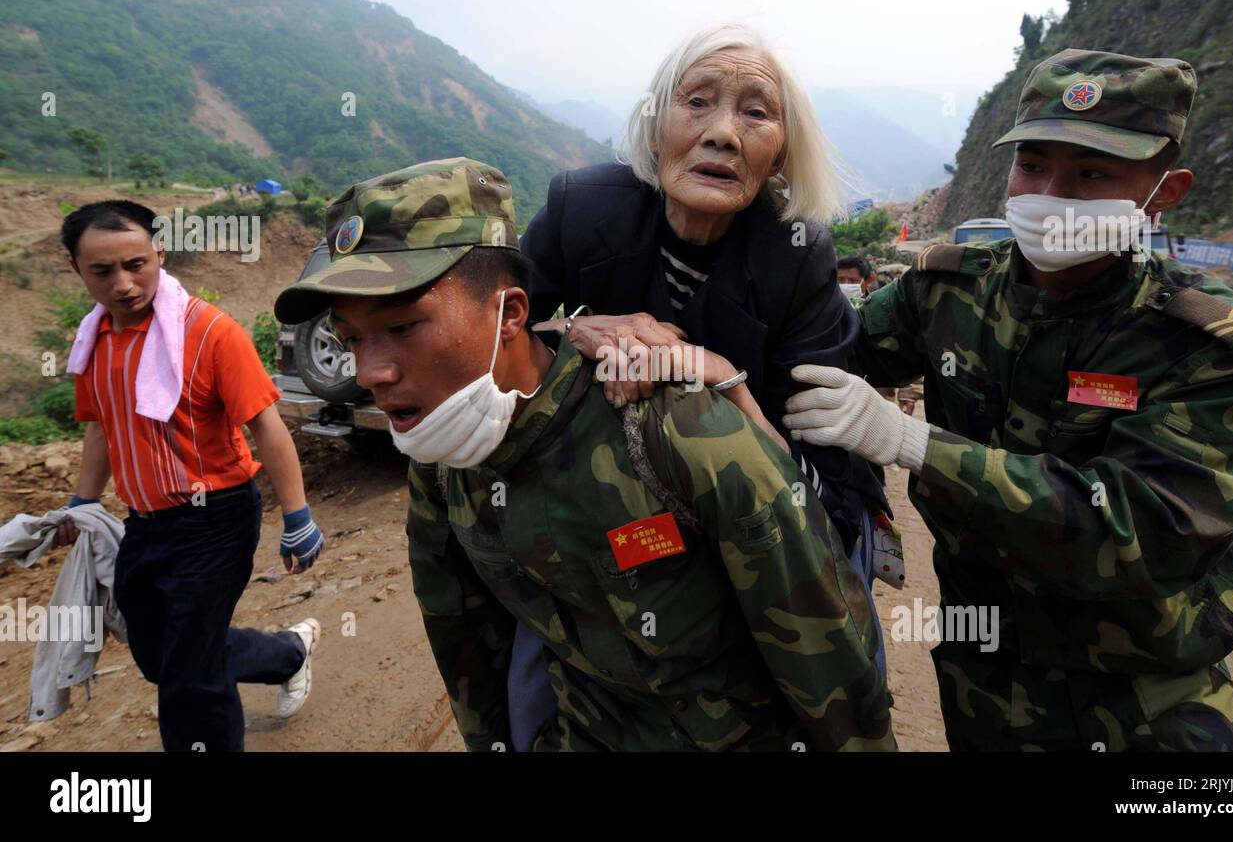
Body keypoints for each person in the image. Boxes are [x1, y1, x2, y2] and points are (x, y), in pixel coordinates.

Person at [273, 158, 895, 752]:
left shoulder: (675, 430)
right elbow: (468, 655)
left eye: (404, 327)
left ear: (511, 313)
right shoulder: (443, 468)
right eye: (350, 339)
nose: (371, 372)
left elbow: (829, 657)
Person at [782, 49, 1233, 751]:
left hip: (1140, 698)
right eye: (1033, 164)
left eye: (1091, 173)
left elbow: (1144, 535)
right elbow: (809, 353)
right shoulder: (948, 290)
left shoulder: (1218, 344)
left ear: (1164, 191)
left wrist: (911, 443)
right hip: (982, 673)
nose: (1053, 192)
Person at [519, 23, 896, 747]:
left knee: (842, 658)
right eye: (697, 102)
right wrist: (571, 331)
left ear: (781, 150)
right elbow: (497, 341)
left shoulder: (797, 255)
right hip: (613, 505)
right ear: (655, 122)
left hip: (764, 511)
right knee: (535, 679)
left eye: (755, 112)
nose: (722, 133)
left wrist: (725, 380)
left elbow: (824, 483)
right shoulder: (581, 208)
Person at [57, 200, 325, 752]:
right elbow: (102, 429)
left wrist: (297, 515)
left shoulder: (210, 333)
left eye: (136, 264)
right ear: (76, 270)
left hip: (217, 520)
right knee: (159, 657)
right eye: (102, 271)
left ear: (161, 253)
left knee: (190, 682)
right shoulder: (93, 341)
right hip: (146, 525)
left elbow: (267, 427)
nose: (124, 284)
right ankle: (287, 654)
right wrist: (81, 502)